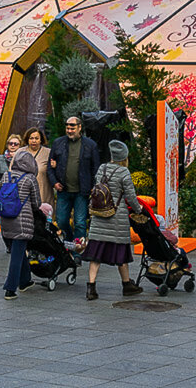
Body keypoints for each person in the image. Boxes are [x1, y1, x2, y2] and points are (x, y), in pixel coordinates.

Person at [84, 140, 144, 300]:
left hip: (99, 215)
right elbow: (130, 196)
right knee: (121, 254)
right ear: (124, 157)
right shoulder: (124, 172)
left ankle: (91, 287)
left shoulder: (101, 168)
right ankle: (127, 285)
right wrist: (139, 210)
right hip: (117, 218)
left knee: (95, 255)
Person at [0, 149, 42, 300]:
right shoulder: (29, 179)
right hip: (22, 222)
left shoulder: (6, 175)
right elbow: (37, 203)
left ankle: (25, 281)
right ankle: (10, 289)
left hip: (6, 219)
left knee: (19, 252)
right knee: (16, 255)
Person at [47, 117, 100, 243]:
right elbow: (50, 167)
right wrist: (54, 182)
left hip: (82, 191)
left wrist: (94, 186)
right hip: (63, 190)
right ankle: (70, 240)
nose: (69, 130)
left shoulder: (90, 145)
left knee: (80, 222)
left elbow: (96, 168)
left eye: (72, 128)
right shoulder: (58, 143)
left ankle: (77, 251)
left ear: (79, 127)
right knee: (61, 220)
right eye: (67, 128)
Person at [22, 127, 54, 207]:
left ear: (41, 140)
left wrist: (54, 166)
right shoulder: (20, 152)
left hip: (43, 193)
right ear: (27, 139)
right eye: (31, 138)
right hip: (23, 194)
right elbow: (12, 170)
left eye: (36, 138)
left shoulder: (48, 153)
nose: (34, 141)